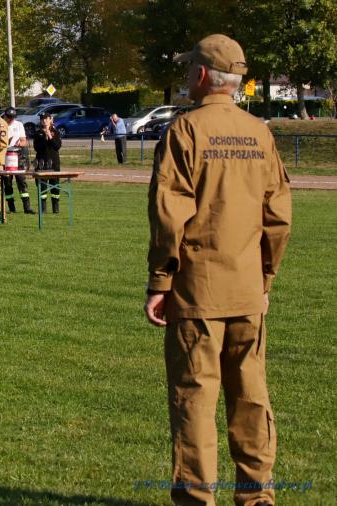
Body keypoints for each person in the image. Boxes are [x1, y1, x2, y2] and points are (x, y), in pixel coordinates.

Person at [144, 34, 291, 506]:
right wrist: (264, 279)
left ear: (203, 74)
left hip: (197, 292)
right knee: (251, 398)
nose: (187, 75)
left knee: (194, 399)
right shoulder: (260, 133)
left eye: (190, 68)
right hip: (247, 290)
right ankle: (257, 497)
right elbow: (278, 217)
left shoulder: (185, 131)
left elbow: (170, 216)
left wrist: (160, 281)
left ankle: (195, 499)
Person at [1, 107, 34, 214]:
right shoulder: (0, 125)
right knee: (7, 182)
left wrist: (20, 143)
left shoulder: (19, 125)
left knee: (21, 181)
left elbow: (24, 141)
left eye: (13, 117)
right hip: (5, 154)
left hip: (17, 154)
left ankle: (27, 207)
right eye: (9, 117)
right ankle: (11, 208)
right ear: (5, 116)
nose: (11, 119)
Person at [32, 112, 62, 214]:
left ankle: (55, 209)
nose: (44, 121)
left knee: (55, 187)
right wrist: (44, 137)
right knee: (42, 187)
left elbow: (57, 146)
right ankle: (43, 209)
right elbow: (37, 148)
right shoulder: (38, 133)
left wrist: (50, 135)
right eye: (42, 119)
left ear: (50, 119)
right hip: (42, 163)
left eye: (46, 119)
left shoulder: (56, 132)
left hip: (54, 163)